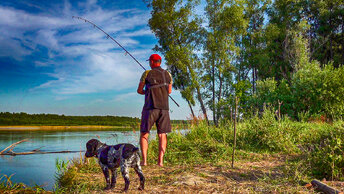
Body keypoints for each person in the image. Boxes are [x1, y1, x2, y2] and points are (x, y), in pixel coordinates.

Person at [137, 54, 172, 167]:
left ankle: (144, 161)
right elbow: (169, 91)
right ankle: (160, 162)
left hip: (150, 107)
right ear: (160, 62)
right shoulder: (168, 74)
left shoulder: (147, 73)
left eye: (150, 61)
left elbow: (139, 90)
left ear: (152, 62)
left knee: (144, 134)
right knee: (162, 134)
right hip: (164, 109)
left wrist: (147, 92)